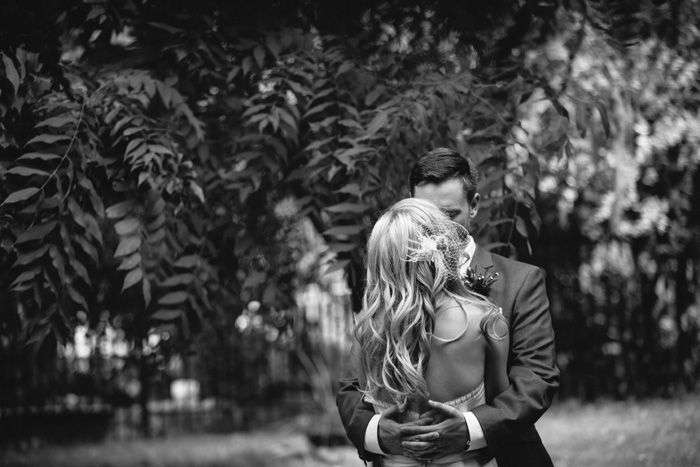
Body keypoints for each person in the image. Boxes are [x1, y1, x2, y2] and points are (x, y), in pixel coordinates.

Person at [337, 148, 559, 467]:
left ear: (475, 206)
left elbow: (536, 379)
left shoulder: (521, 280)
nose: (438, 230)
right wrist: (377, 434)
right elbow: (353, 387)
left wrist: (470, 429)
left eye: (450, 214)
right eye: (428, 215)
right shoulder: (387, 284)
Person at [352, 197, 510, 467]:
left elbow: (366, 407)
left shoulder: (369, 332)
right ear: (445, 247)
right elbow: (500, 417)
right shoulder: (486, 323)